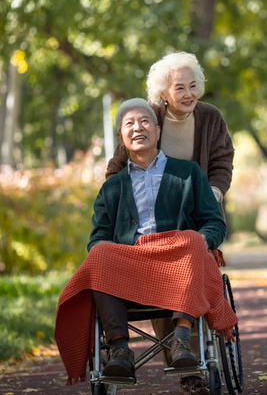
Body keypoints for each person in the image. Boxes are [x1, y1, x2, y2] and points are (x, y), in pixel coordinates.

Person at [87, 98, 227, 386]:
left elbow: (214, 222)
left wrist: (202, 240)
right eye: (129, 124)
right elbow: (98, 237)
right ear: (121, 137)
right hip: (131, 265)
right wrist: (102, 250)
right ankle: (119, 349)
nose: (138, 128)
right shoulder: (111, 188)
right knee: (99, 253)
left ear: (158, 131)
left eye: (145, 121)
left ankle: (181, 340)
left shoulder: (188, 173)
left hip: (177, 260)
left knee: (191, 240)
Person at [105, 51, 234, 210]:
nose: (188, 94)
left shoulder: (210, 117)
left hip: (200, 213)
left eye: (192, 86)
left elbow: (222, 162)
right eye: (180, 88)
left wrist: (211, 195)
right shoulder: (149, 118)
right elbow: (116, 167)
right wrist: (123, 206)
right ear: (163, 94)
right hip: (152, 216)